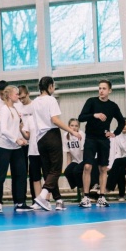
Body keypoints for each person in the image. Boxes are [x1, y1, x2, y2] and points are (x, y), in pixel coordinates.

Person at [32, 76, 82, 211]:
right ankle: (42, 196)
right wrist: (72, 131)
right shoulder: (51, 100)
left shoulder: (35, 102)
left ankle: (58, 200)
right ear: (50, 86)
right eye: (53, 86)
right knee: (56, 169)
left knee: (48, 171)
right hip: (52, 136)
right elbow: (55, 120)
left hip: (40, 139)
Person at [78, 80, 125, 208]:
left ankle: (102, 197)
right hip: (90, 138)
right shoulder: (91, 101)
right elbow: (81, 117)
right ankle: (86, 197)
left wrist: (114, 133)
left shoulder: (113, 106)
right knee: (87, 166)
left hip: (104, 140)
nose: (101, 91)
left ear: (109, 90)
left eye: (104, 88)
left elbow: (121, 121)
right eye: (99, 88)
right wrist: (95, 115)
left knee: (103, 168)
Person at [0, 86, 31, 213]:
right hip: (3, 147)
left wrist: (21, 138)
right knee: (1, 175)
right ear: (9, 95)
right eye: (16, 94)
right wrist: (16, 139)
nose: (18, 96)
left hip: (15, 147)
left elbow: (15, 128)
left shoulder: (15, 108)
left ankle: (20, 202)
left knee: (21, 173)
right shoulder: (4, 109)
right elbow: (3, 130)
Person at [106, 118, 126, 201]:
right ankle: (122, 195)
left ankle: (108, 187)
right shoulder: (117, 136)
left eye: (125, 124)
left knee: (117, 162)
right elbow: (117, 153)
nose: (124, 126)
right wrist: (111, 165)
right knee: (120, 171)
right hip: (124, 159)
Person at [63, 118, 85, 190]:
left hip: (84, 159)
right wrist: (68, 166)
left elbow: (84, 151)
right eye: (72, 125)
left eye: (76, 126)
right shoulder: (65, 136)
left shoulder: (81, 134)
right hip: (76, 160)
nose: (74, 127)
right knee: (67, 172)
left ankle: (83, 189)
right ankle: (79, 186)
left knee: (76, 171)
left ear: (79, 127)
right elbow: (68, 154)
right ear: (68, 126)